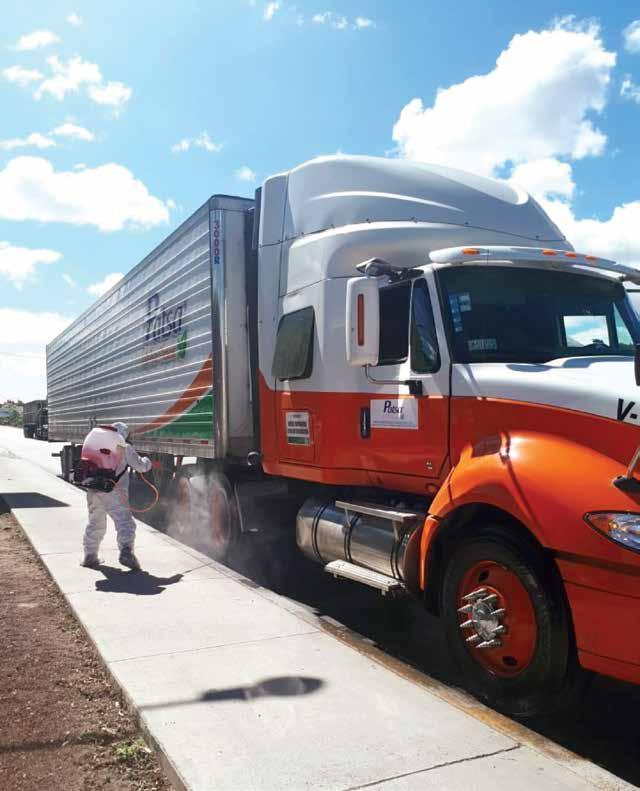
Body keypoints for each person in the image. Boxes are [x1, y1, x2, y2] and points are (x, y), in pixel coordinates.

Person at [82, 422, 152, 571]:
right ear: (124, 434)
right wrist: (148, 462)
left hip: (93, 488)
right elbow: (140, 466)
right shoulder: (123, 446)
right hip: (113, 490)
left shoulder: (96, 443)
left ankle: (90, 555)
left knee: (95, 522)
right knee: (124, 522)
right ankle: (126, 552)